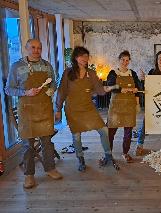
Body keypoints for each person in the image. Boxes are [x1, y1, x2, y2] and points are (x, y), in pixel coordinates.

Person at [5, 39, 62, 189]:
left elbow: (53, 83)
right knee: (28, 145)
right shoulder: (16, 66)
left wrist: (49, 91)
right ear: (26, 48)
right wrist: (25, 92)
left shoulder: (47, 66)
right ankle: (29, 175)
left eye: (39, 47)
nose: (36, 50)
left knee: (47, 143)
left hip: (44, 109)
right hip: (27, 111)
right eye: (33, 47)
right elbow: (8, 89)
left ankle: (50, 168)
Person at [55, 46, 119, 171]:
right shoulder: (68, 73)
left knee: (104, 130)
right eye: (82, 56)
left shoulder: (92, 73)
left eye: (86, 56)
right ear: (75, 58)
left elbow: (100, 91)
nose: (85, 58)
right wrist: (57, 109)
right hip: (73, 109)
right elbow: (61, 91)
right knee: (77, 136)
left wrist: (112, 87)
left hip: (88, 108)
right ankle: (81, 160)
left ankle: (108, 156)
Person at [107, 50, 141, 163]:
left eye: (127, 60)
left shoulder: (133, 73)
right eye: (123, 60)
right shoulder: (113, 73)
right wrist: (123, 89)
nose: (125, 62)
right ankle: (108, 154)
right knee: (110, 132)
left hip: (129, 107)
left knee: (128, 133)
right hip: (115, 108)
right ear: (119, 60)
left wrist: (137, 103)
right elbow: (110, 86)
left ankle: (125, 153)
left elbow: (138, 89)